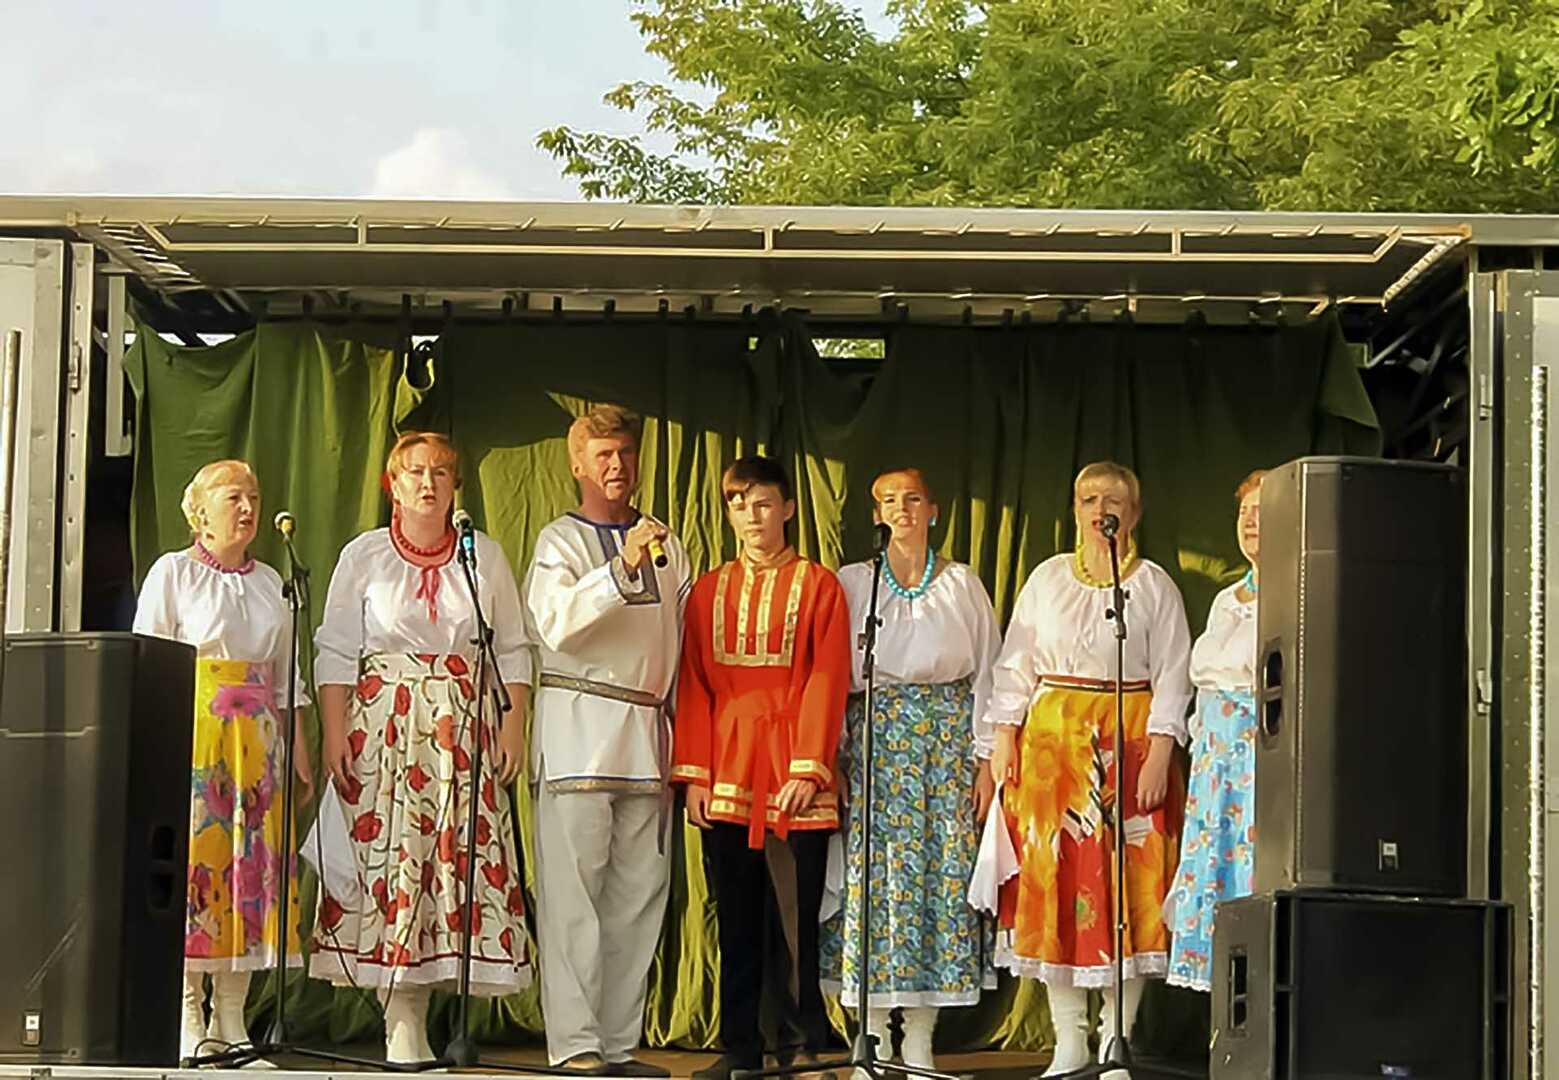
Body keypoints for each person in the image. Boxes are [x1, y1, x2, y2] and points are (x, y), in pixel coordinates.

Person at [311, 432, 532, 1064]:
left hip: (458, 732)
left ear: (455, 485)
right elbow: (335, 648)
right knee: (394, 858)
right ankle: (399, 1017)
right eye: (415, 472)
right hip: (385, 726)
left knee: (450, 867)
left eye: (440, 472)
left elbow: (510, 646)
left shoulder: (479, 556)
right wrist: (333, 730)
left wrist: (510, 723)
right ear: (393, 484)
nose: (428, 483)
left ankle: (432, 1006)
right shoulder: (365, 556)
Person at [986, 461, 1193, 1077]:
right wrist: (1003, 736)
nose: (1100, 508)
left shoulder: (1154, 586)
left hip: (1128, 746)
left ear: (1133, 514)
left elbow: (1174, 673)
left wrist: (1160, 751)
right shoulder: (1047, 579)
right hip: (1053, 753)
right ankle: (1069, 1041)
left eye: (1114, 500)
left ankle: (1115, 1043)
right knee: (1055, 889)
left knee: (1127, 892)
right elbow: (1014, 663)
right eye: (1088, 498)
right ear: (1075, 509)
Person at [524, 405, 692, 1076]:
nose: (617, 466)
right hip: (578, 740)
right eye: (602, 456)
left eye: (625, 453)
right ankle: (576, 1047)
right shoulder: (557, 542)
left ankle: (620, 1046)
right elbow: (555, 624)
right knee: (574, 905)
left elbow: (676, 641)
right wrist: (619, 568)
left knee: (636, 902)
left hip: (647, 738)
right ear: (577, 465)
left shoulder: (666, 543)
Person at [671, 455, 850, 1080]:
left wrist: (809, 767)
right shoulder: (707, 591)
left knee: (797, 916)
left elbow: (828, 676)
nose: (752, 514)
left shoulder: (819, 585)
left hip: (792, 766)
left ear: (789, 509)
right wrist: (692, 773)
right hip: (726, 768)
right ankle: (741, 1045)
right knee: (738, 915)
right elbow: (692, 684)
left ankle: (806, 1043)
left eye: (764, 502)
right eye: (739, 503)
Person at [821, 468, 999, 1071]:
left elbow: (990, 674)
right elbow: (831, 679)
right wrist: (834, 756)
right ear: (876, 514)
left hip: (944, 751)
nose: (901, 510)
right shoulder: (854, 584)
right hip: (873, 749)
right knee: (874, 885)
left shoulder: (961, 584)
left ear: (934, 510)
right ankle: (870, 1033)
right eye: (889, 501)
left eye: (913, 499)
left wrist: (984, 760)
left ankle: (920, 1036)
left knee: (937, 882)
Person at [133, 459, 310, 1061]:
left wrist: (300, 747)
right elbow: (151, 662)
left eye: (254, 496)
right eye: (234, 496)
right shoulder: (174, 573)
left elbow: (287, 678)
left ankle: (233, 1020)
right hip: (197, 739)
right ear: (200, 510)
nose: (247, 507)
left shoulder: (269, 582)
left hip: (258, 747)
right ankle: (187, 1020)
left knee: (251, 878)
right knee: (197, 871)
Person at [1164, 470, 1264, 992]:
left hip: (1259, 762)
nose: (1250, 522)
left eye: (1262, 511)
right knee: (1214, 877)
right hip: (1215, 765)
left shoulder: (1297, 593)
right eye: (1244, 513)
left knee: (1253, 874)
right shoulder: (1228, 599)